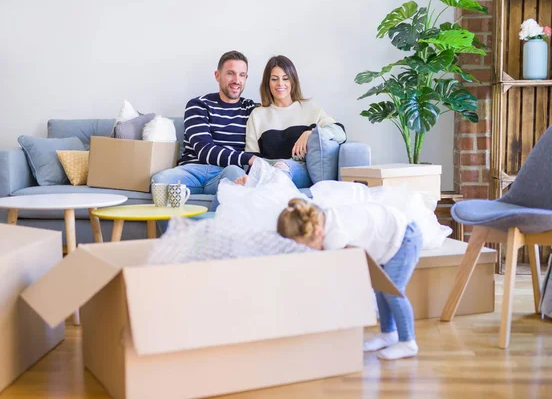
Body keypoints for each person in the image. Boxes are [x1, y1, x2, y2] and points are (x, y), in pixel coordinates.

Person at [276, 198, 422, 361]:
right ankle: (388, 333)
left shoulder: (335, 238)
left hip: (404, 236)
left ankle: (408, 342)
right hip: (388, 239)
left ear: (317, 233)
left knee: (393, 291)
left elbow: (335, 278)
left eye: (309, 246)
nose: (309, 250)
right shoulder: (324, 217)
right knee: (380, 288)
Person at [151, 50, 258, 210]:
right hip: (192, 171)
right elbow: (205, 151)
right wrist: (247, 158)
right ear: (217, 75)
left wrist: (308, 131)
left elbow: (281, 114)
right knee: (160, 181)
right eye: (230, 73)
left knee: (237, 176)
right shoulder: (198, 105)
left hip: (225, 173)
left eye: (242, 75)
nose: (236, 80)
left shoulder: (251, 109)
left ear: (246, 78)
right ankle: (175, 234)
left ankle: (210, 232)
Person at [241, 55, 346, 188]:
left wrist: (310, 132)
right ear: (267, 82)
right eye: (274, 79)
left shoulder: (311, 109)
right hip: (269, 172)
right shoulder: (257, 115)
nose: (280, 84)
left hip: (300, 172)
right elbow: (252, 159)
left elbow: (340, 133)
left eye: (285, 78)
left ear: (293, 81)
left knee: (282, 167)